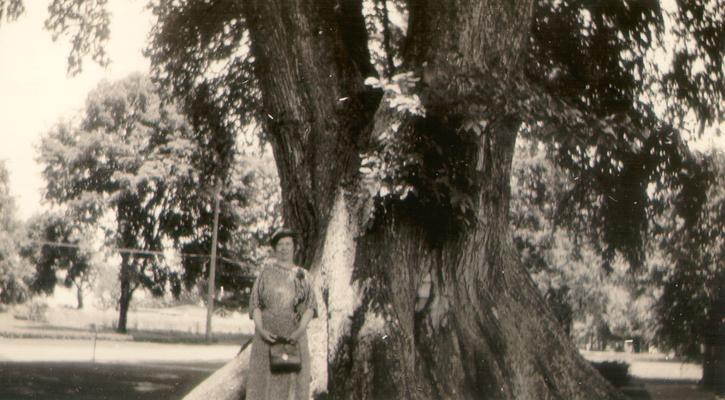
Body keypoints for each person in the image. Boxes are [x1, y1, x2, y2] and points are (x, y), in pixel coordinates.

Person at [246, 228, 317, 400]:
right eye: (280, 244)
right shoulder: (265, 274)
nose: (284, 248)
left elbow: (311, 306)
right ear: (275, 248)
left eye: (288, 244)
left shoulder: (303, 276)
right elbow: (255, 303)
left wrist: (299, 331)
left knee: (292, 386)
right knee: (263, 386)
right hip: (266, 338)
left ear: (294, 247)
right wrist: (261, 329)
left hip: (294, 337)